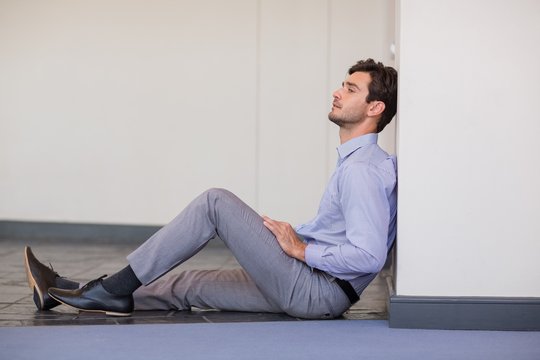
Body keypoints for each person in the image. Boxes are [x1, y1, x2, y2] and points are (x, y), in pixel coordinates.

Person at [24, 58, 398, 319]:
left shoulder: (361, 171)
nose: (337, 91)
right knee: (187, 285)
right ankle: (70, 291)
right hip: (308, 284)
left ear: (374, 107)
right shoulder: (363, 164)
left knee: (215, 203)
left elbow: (369, 257)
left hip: (315, 290)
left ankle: (108, 289)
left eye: (350, 89)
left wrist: (302, 250)